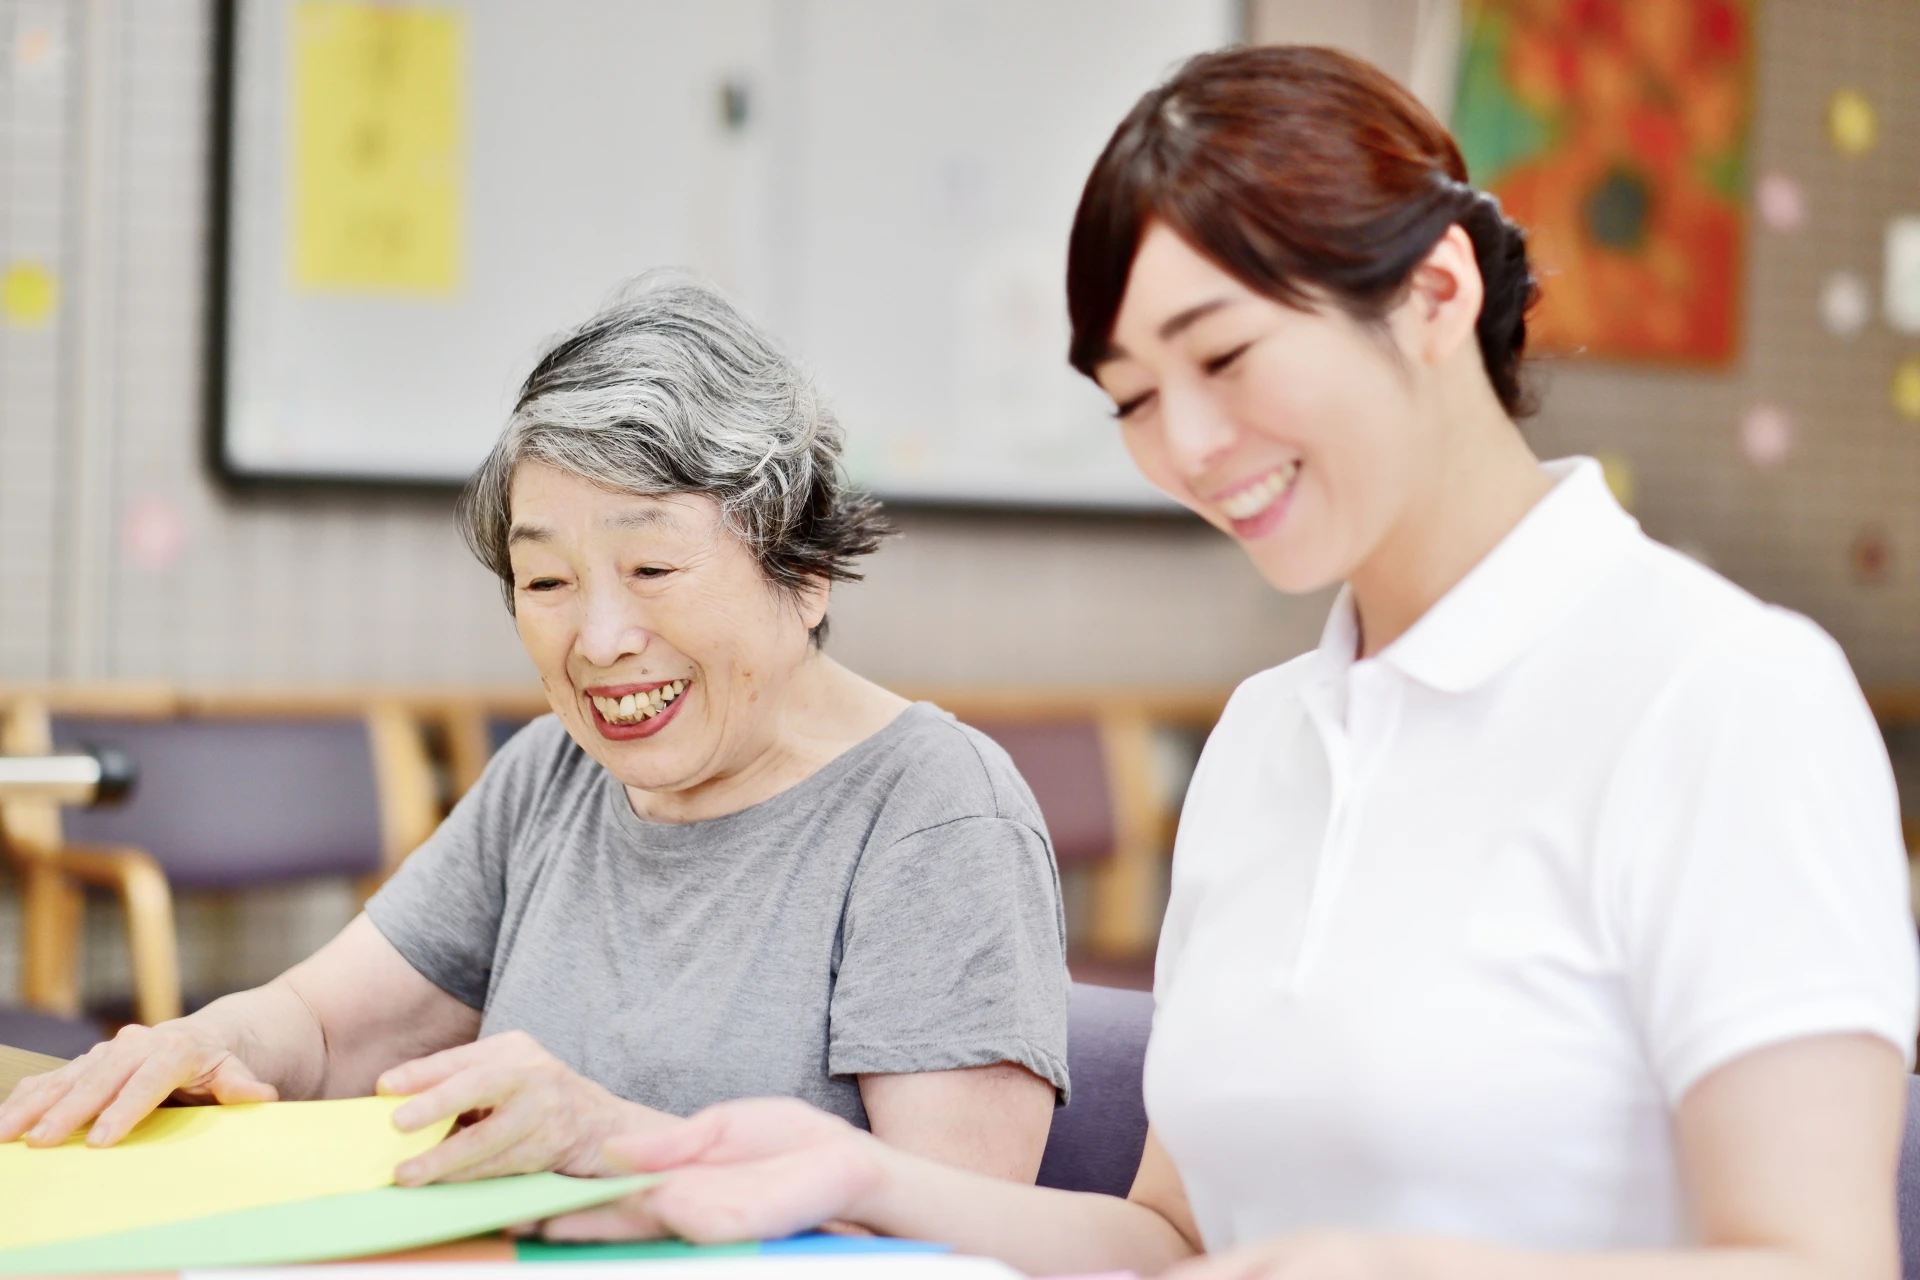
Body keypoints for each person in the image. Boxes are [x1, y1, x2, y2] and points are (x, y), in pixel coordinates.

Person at [526, 46, 1920, 1279]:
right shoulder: (1266, 737)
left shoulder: (1724, 696)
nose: (1187, 448)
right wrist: (858, 1176)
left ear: (1435, 293)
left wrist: (1398, 1268)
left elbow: (1820, 1262)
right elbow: (1171, 1239)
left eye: (1226, 356)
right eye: (1135, 399)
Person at [0, 274, 1069, 1188]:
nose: (598, 640)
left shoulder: (936, 811)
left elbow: (955, 1228)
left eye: (652, 567)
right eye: (547, 579)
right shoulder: (554, 773)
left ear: (807, 567)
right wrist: (208, 1039)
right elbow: (327, 1028)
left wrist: (621, 1143)